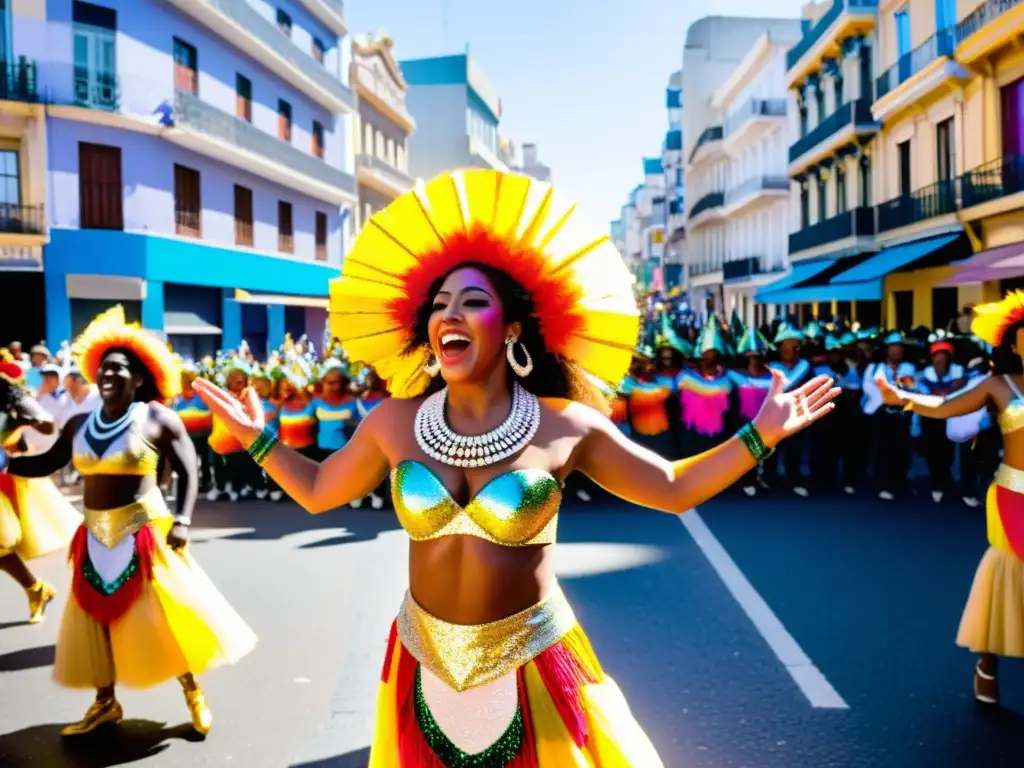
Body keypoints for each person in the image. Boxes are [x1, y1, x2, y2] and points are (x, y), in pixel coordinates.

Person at [194, 168, 838, 765]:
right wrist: (257, 439)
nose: (450, 313)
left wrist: (761, 434)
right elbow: (315, 490)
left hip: (532, 659)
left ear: (511, 329)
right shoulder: (394, 421)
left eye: (472, 301)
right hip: (424, 657)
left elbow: (673, 489)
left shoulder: (566, 424)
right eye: (441, 302)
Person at [2, 306, 256, 737]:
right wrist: (11, 458)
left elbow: (190, 468)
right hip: (94, 534)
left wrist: (184, 519)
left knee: (163, 616)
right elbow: (46, 462)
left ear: (139, 378)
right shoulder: (80, 423)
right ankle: (105, 703)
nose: (106, 374)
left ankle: (193, 691)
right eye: (102, 368)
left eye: (118, 368)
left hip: (145, 531)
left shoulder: (157, 418)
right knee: (93, 620)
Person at [876, 290, 1024, 706]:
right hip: (1015, 494)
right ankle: (988, 662)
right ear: (1012, 343)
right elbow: (945, 406)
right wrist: (902, 398)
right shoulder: (999, 384)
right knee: (1010, 576)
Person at [0, 357, 78, 624]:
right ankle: (36, 589)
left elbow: (45, 422)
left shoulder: (6, 390)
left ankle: (36, 589)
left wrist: (21, 421)